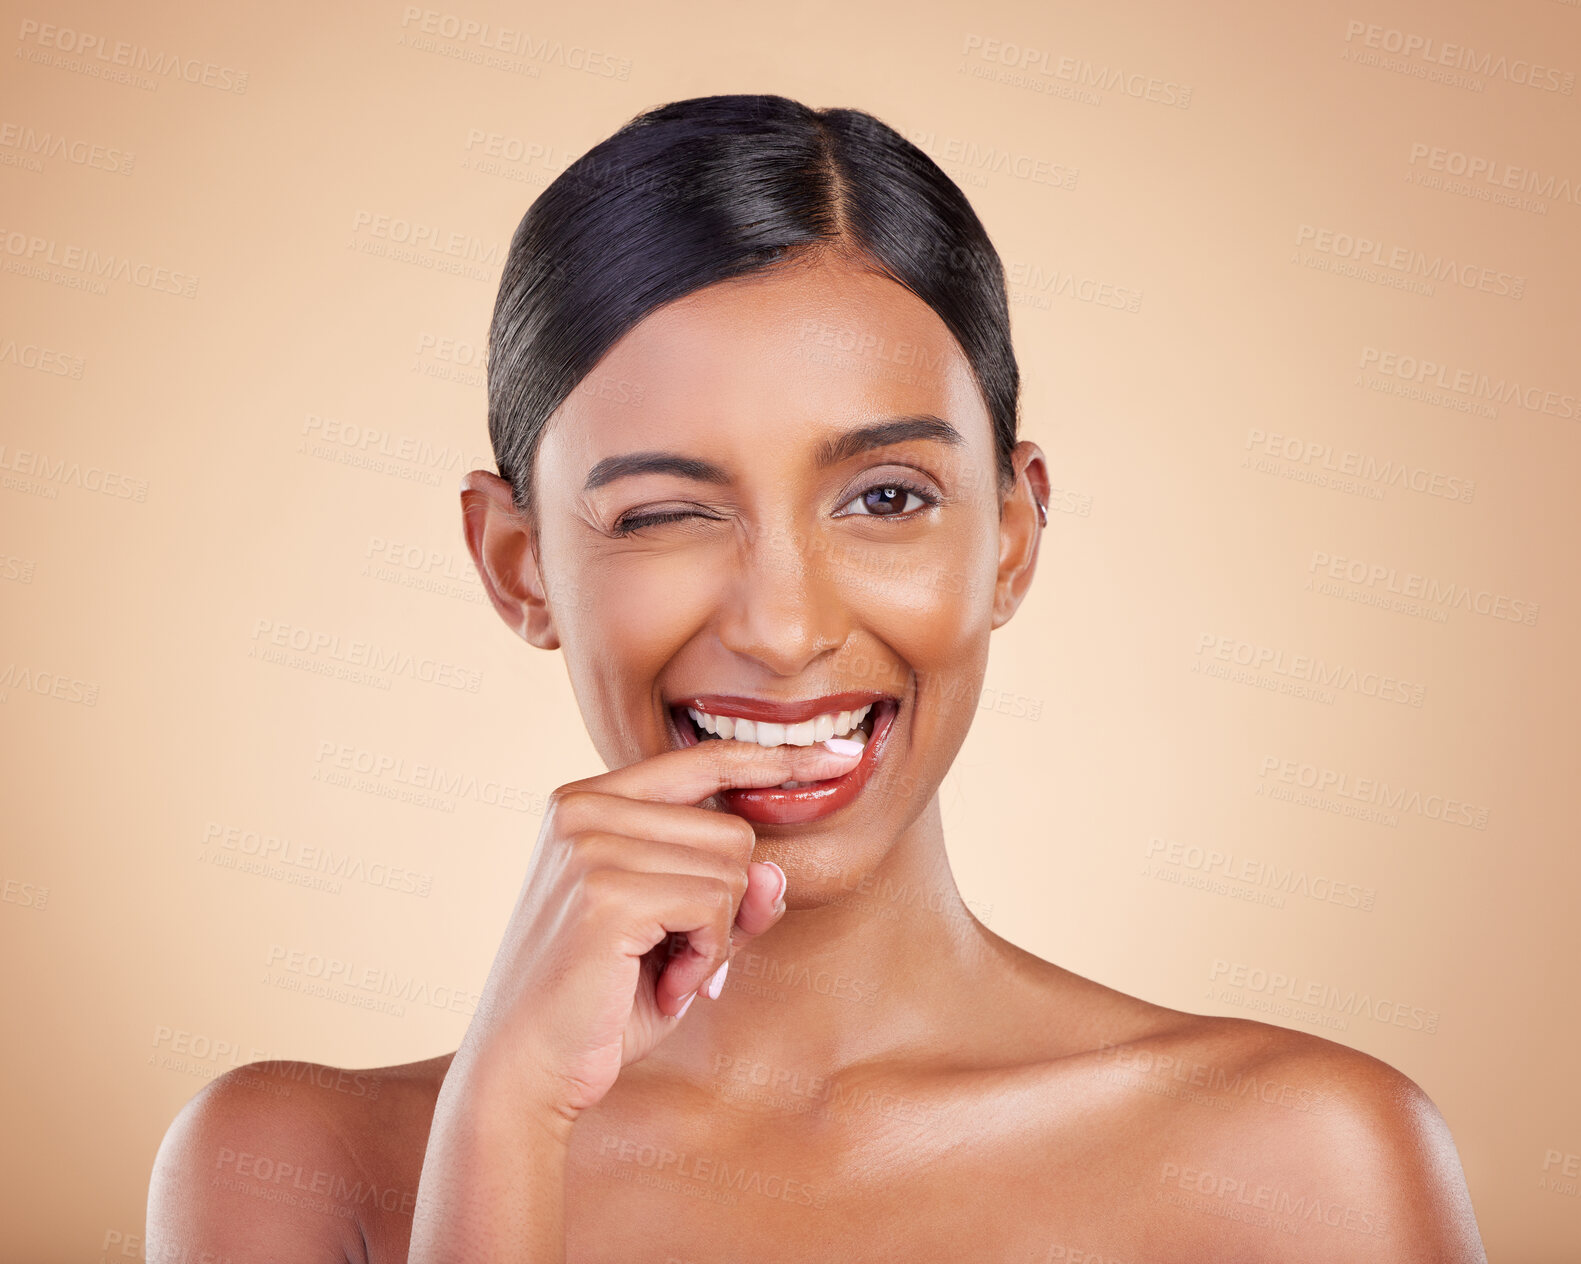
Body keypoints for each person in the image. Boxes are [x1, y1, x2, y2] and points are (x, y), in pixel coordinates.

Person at [147, 93, 1488, 1262]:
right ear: (517, 565)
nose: (783, 630)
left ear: (1011, 537)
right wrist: (504, 1123)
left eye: (887, 496)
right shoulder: (295, 1170)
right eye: (666, 511)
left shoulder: (1302, 1161)